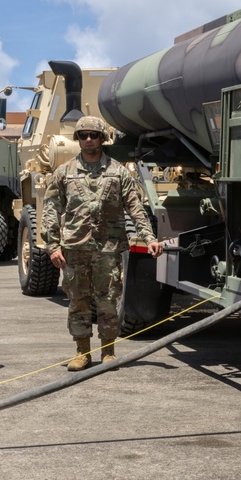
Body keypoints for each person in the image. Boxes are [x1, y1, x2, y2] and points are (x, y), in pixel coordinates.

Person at [42, 115, 163, 371]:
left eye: (93, 135)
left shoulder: (118, 172)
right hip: (74, 249)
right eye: (83, 135)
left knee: (108, 301)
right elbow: (51, 210)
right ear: (78, 139)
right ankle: (82, 352)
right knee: (78, 302)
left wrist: (149, 237)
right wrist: (52, 245)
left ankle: (108, 351)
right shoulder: (63, 173)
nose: (88, 139)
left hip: (108, 249)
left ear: (101, 139)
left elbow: (135, 208)